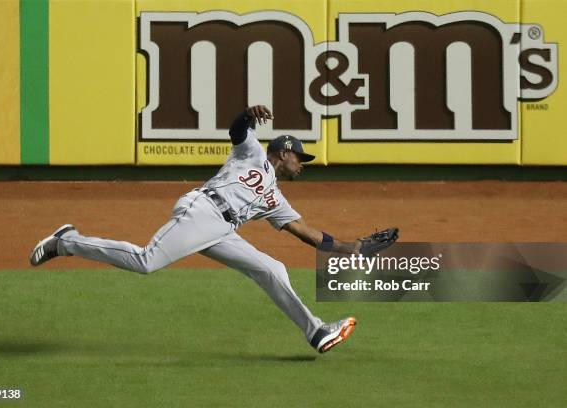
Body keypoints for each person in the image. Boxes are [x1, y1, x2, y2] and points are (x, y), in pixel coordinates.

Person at [30, 105, 398, 353]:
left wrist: (352, 248)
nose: (303, 164)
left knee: (273, 269)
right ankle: (67, 242)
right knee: (146, 262)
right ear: (284, 152)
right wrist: (247, 114)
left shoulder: (278, 201)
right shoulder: (252, 154)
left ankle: (316, 331)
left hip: (221, 230)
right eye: (300, 157)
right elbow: (237, 130)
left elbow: (307, 233)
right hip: (202, 211)